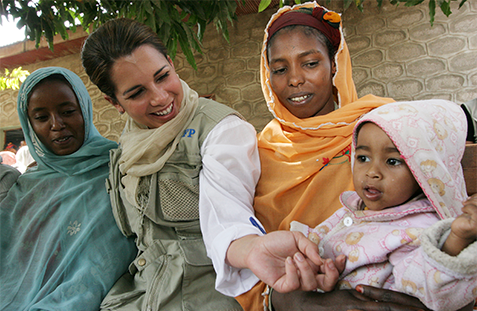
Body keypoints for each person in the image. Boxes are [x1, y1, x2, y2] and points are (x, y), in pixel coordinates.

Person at [290, 100, 477, 311]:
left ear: (424, 171)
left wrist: (456, 240)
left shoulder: (418, 229)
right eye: (363, 157)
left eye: (392, 161)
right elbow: (317, 238)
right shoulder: (355, 208)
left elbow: (425, 284)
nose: (372, 172)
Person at [0, 67, 137, 310]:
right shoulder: (26, 186)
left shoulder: (120, 171)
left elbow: (104, 264)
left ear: (84, 110)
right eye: (41, 118)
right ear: (29, 124)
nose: (57, 124)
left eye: (68, 112)